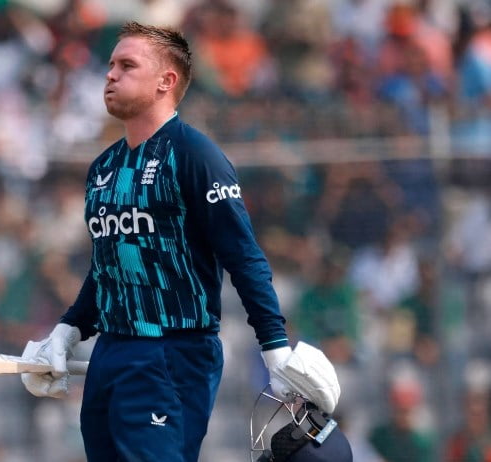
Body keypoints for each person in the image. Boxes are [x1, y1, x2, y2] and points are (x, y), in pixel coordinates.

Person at [20, 22, 337, 462]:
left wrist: (275, 349)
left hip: (172, 354)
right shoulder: (102, 168)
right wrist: (67, 331)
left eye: (127, 66)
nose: (110, 74)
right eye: (111, 65)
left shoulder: (195, 156)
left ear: (165, 81)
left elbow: (243, 257)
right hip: (111, 352)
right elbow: (111, 266)